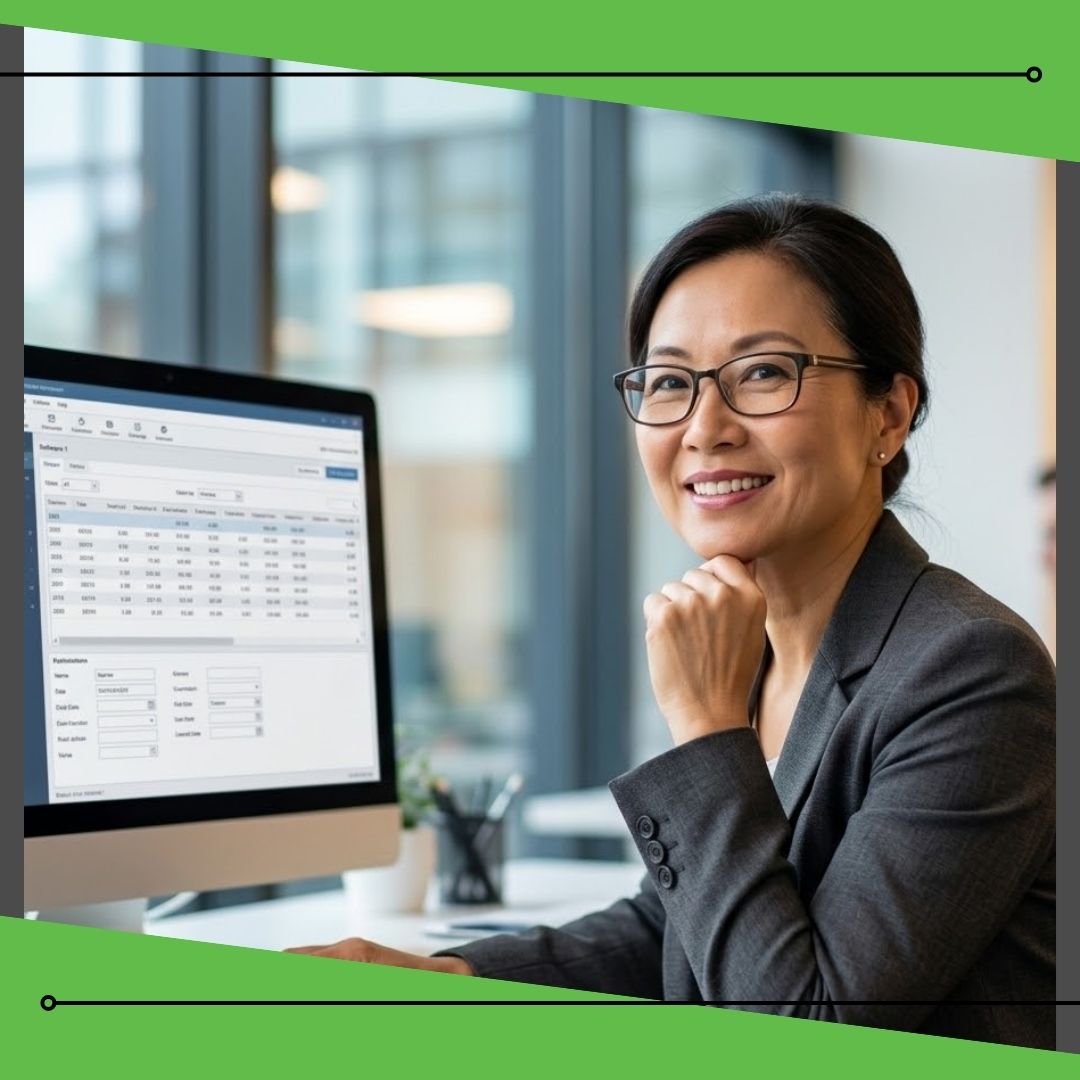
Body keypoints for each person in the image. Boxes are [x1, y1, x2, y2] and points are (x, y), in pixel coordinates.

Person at [286, 194, 1056, 1049]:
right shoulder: (760, 643)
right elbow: (680, 928)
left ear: (889, 412)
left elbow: (807, 1025)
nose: (703, 428)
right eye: (669, 382)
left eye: (763, 372)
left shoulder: (973, 672)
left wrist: (704, 729)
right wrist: (451, 977)